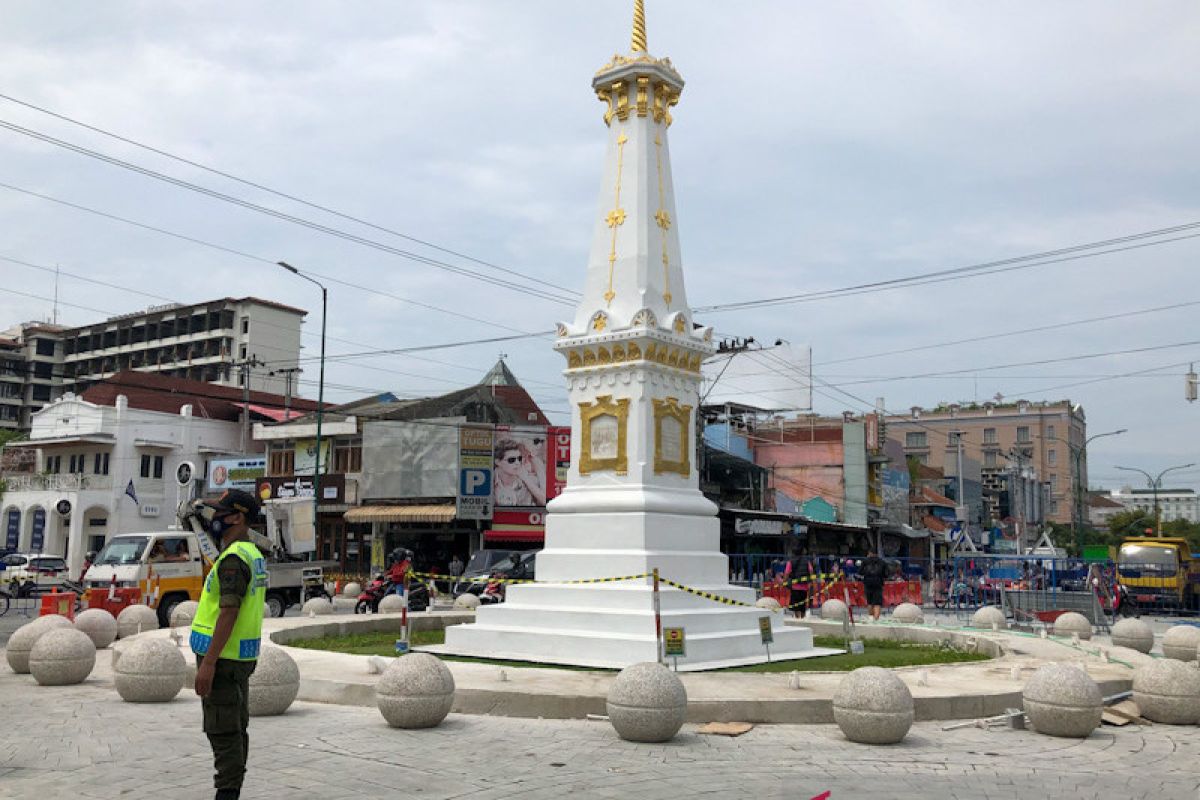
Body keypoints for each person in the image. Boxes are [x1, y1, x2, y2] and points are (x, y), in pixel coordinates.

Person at [189, 489, 267, 800]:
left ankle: (227, 793)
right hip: (237, 657)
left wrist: (208, 663)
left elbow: (229, 611)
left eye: (220, 512)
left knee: (223, 732)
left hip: (222, 659)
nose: (214, 518)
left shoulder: (234, 559)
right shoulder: (252, 553)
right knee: (235, 728)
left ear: (237, 517)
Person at [493, 437, 546, 506]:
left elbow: (544, 502)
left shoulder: (530, 481)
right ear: (498, 462)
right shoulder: (490, 480)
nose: (517, 463)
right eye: (511, 460)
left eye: (519, 459)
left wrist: (526, 479)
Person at [860, 550, 887, 621]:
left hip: (868, 583)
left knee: (869, 601)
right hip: (878, 583)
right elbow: (886, 574)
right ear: (877, 554)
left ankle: (871, 618)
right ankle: (876, 619)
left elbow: (860, 572)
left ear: (869, 553)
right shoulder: (882, 562)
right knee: (877, 602)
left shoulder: (865, 561)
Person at [785, 549, 812, 618]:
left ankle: (797, 619)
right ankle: (803, 618)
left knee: (796, 605)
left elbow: (786, 573)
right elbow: (811, 571)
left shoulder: (790, 561)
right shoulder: (807, 562)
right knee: (803, 605)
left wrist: (784, 582)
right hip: (804, 587)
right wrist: (810, 582)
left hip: (795, 587)